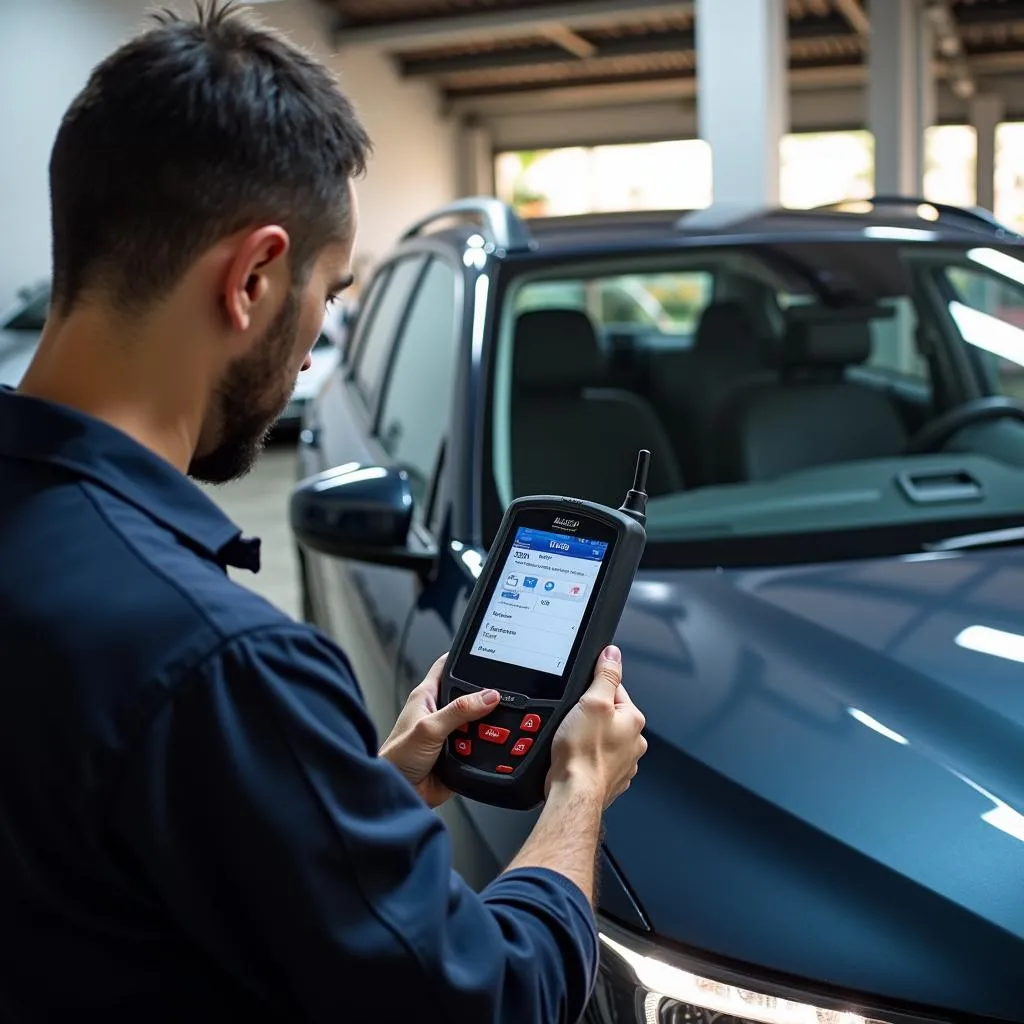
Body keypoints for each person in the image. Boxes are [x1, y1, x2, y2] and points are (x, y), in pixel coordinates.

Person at [0, 4, 648, 1023]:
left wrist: (362, 791)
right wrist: (578, 794)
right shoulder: (221, 664)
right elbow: (492, 999)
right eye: (330, 290)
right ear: (254, 276)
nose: (319, 342)